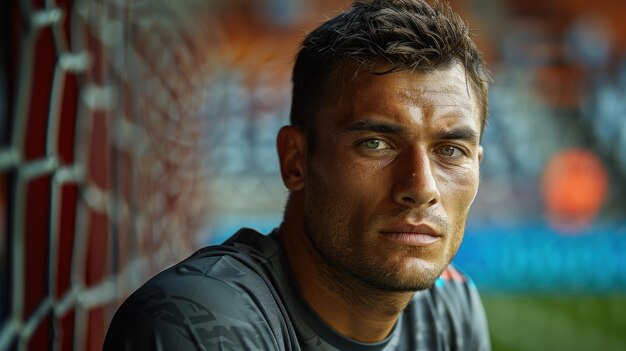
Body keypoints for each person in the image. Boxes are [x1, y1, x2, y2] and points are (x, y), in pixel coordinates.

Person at [104, 0, 491, 349]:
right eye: (375, 143)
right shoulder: (197, 320)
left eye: (451, 151)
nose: (421, 187)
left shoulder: (450, 307)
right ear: (296, 160)